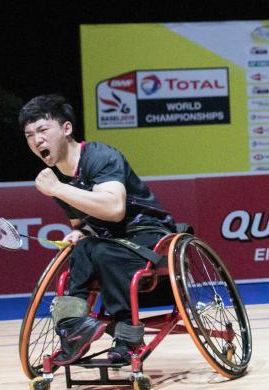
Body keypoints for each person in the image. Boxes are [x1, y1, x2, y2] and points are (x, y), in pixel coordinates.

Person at [19, 94, 176, 365]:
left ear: (66, 129)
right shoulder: (57, 175)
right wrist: (80, 233)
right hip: (110, 241)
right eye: (29, 134)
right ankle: (73, 328)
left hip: (147, 232)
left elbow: (114, 208)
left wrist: (58, 189)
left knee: (102, 252)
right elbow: (82, 224)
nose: (37, 140)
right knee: (81, 250)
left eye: (43, 130)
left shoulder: (99, 156)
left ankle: (127, 337)